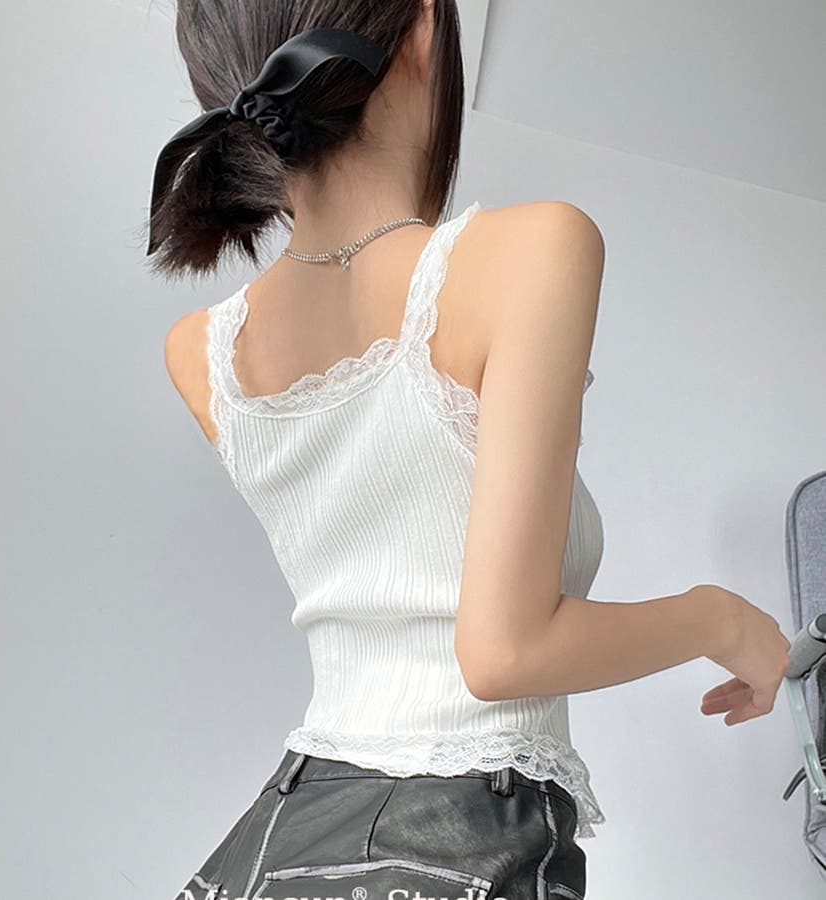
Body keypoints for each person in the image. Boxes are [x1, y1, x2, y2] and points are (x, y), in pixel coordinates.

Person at [150, 3, 793, 898]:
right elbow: (503, 654)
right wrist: (724, 621)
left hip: (281, 835)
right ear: (423, 32)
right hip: (461, 837)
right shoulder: (529, 252)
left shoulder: (202, 351)